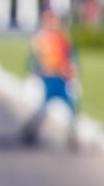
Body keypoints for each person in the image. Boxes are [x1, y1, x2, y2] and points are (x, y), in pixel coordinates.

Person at [20, 10, 80, 148]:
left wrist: (74, 75)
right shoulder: (40, 39)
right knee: (42, 109)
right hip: (47, 77)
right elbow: (33, 59)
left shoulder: (63, 37)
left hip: (61, 78)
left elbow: (71, 56)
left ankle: (72, 136)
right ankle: (30, 131)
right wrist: (32, 74)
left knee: (71, 108)